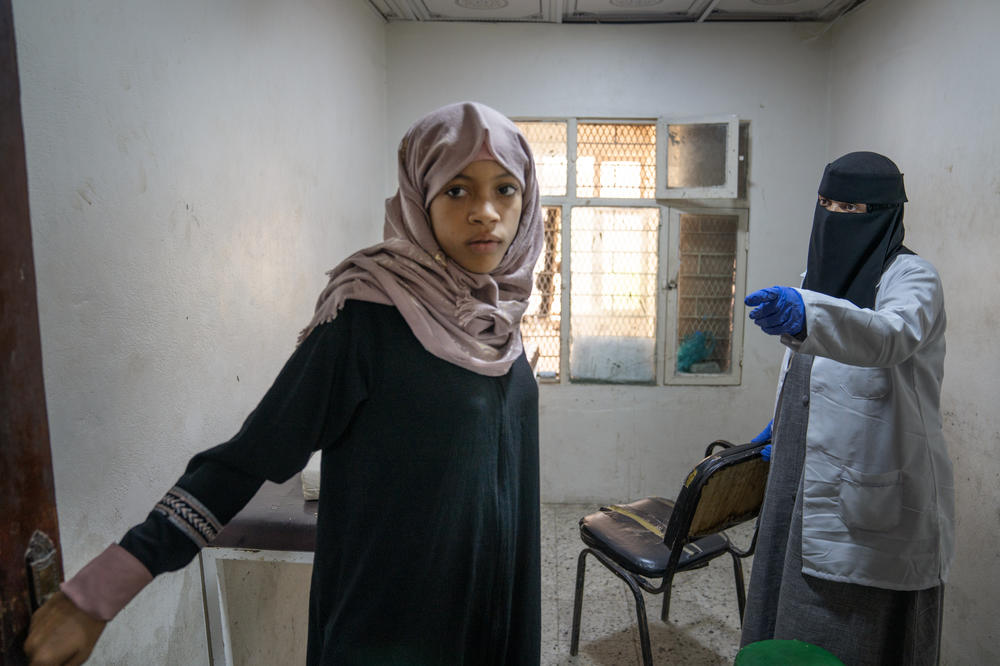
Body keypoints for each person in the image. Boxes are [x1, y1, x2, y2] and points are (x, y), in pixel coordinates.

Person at [24, 101, 544, 666]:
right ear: (420, 196)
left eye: (506, 190)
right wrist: (101, 592)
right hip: (393, 628)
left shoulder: (502, 326)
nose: (486, 212)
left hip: (493, 618)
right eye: (458, 190)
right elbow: (249, 456)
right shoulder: (367, 320)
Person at [739, 151, 952, 665]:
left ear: (884, 215)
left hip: (871, 486)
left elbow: (886, 337)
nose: (833, 215)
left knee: (851, 625)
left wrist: (805, 311)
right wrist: (788, 421)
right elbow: (811, 369)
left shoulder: (912, 280)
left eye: (849, 208)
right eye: (825, 203)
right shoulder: (817, 275)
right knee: (785, 596)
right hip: (802, 473)